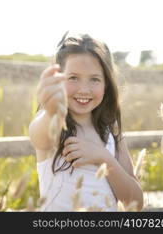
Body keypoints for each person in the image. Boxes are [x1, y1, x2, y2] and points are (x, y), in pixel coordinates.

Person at [29, 33, 143, 212]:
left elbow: (135, 202)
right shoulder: (54, 124)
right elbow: (39, 138)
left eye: (95, 79)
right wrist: (51, 112)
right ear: (59, 78)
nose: (84, 89)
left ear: (106, 84)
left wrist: (104, 158)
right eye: (73, 78)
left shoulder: (110, 131)